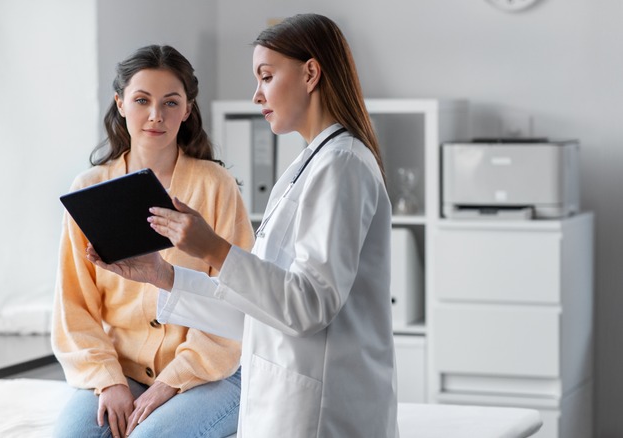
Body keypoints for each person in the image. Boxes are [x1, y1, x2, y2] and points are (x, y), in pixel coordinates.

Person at [87, 14, 398, 437]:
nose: (256, 95)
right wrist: (164, 276)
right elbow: (259, 310)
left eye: (266, 76)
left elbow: (309, 306)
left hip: (323, 412)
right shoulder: (307, 168)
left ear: (310, 73)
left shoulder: (342, 165)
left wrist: (212, 248)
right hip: (285, 400)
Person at [52, 44, 254, 438]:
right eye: (142, 100)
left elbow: (238, 297)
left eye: (171, 102)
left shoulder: (216, 186)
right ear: (120, 103)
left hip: (213, 370)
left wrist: (169, 383)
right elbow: (73, 306)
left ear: (188, 110)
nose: (156, 116)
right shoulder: (89, 189)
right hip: (121, 369)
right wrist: (109, 381)